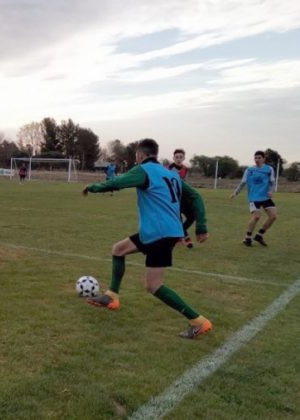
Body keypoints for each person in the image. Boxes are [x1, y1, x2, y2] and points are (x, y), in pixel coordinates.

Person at [82, 138, 212, 339]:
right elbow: (196, 197)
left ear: (141, 155)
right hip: (159, 232)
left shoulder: (144, 170)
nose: (136, 159)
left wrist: (93, 187)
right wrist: (201, 226)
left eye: (136, 156)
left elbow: (117, 182)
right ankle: (112, 296)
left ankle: (198, 321)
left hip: (159, 234)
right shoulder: (172, 174)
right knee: (118, 249)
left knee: (153, 285)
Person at [229, 150, 277, 247]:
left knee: (273, 216)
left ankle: (259, 235)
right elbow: (243, 183)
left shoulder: (269, 169)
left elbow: (272, 182)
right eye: (255, 158)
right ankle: (248, 238)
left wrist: (271, 191)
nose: (257, 160)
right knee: (256, 217)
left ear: (264, 159)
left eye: (259, 158)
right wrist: (235, 193)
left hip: (265, 197)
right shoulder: (249, 170)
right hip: (254, 197)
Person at [168, 149, 193, 247]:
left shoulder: (185, 169)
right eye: (177, 157)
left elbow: (185, 183)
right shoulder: (168, 169)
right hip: (172, 198)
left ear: (184, 158)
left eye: (180, 157)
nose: (178, 159)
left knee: (191, 216)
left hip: (183, 197)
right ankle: (186, 238)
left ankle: (180, 234)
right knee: (178, 218)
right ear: (173, 158)